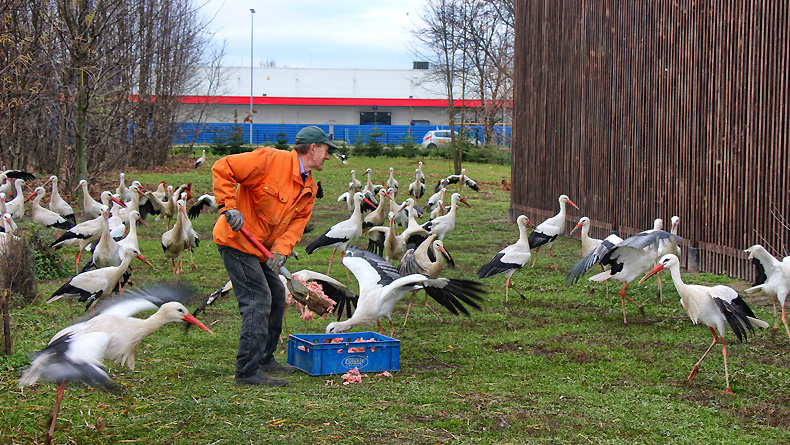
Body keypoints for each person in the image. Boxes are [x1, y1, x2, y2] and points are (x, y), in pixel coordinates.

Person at [212, 126, 336, 386]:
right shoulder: (269, 160)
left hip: (262, 249)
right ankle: (246, 372)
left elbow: (296, 226)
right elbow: (223, 167)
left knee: (277, 294)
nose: (328, 156)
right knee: (258, 299)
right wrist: (228, 207)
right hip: (236, 240)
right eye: (326, 150)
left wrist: (280, 251)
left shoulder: (309, 187)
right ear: (313, 148)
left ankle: (264, 358)